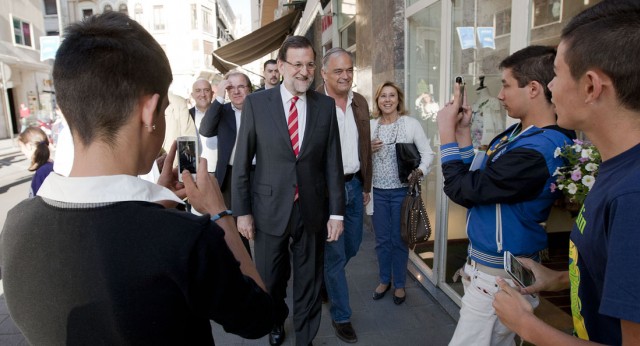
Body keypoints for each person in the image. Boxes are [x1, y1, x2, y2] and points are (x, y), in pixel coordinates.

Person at [0, 12, 273, 344]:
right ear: (150, 111)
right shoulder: (186, 239)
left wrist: (149, 200)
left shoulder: (16, 224)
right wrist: (220, 215)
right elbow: (262, 317)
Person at [493, 2, 640, 345]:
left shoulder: (632, 196)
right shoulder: (617, 168)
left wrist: (526, 325)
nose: (550, 88)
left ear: (591, 86)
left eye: (556, 74)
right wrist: (558, 279)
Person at [437, 45, 575, 346]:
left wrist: (445, 134)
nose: (500, 95)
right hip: (490, 270)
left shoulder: (537, 151)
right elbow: (478, 180)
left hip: (497, 277)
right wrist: (461, 134)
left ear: (534, 89)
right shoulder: (519, 135)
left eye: (506, 85)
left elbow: (463, 189)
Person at [232, 35, 345, 346]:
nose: (304, 71)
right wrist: (242, 212)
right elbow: (241, 162)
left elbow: (332, 162)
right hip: (268, 210)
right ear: (281, 66)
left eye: (310, 64)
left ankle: (305, 338)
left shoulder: (324, 106)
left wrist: (336, 212)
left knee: (309, 281)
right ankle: (276, 320)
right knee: (271, 279)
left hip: (311, 210)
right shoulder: (257, 104)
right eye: (297, 64)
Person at [316, 47, 372, 343]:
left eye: (349, 70)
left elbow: (364, 147)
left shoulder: (359, 102)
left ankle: (326, 276)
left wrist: (366, 185)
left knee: (352, 245)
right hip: (327, 190)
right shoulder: (311, 103)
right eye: (338, 70)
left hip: (354, 184)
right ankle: (342, 315)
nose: (345, 76)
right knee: (336, 255)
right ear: (323, 73)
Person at [370, 81, 434, 306]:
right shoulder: (371, 126)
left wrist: (419, 171)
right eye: (382, 96)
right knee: (381, 240)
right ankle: (384, 280)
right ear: (377, 100)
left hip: (402, 193)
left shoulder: (410, 124)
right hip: (377, 192)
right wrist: (368, 149)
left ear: (399, 100)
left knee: (399, 240)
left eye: (392, 96)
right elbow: (358, 159)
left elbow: (428, 153)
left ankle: (399, 284)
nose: (387, 100)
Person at [199, 71, 253, 255]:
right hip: (229, 177)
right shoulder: (223, 111)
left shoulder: (261, 110)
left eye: (241, 87)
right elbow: (205, 130)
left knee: (258, 225)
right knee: (234, 230)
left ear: (249, 89)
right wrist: (219, 97)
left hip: (257, 173)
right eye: (231, 88)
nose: (236, 92)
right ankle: (246, 272)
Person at [189, 78, 218, 174]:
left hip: (220, 172)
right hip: (196, 172)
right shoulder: (187, 115)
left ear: (212, 93)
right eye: (198, 91)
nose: (202, 94)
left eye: (206, 90)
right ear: (192, 95)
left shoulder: (223, 113)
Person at [17, 126, 54, 197]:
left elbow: (38, 202)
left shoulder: (42, 172)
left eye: (21, 147)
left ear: (28, 146)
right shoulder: (50, 166)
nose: (21, 151)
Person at [162, 91, 197, 155]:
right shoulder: (138, 100)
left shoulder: (178, 102)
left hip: (172, 163)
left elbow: (188, 138)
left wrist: (185, 164)